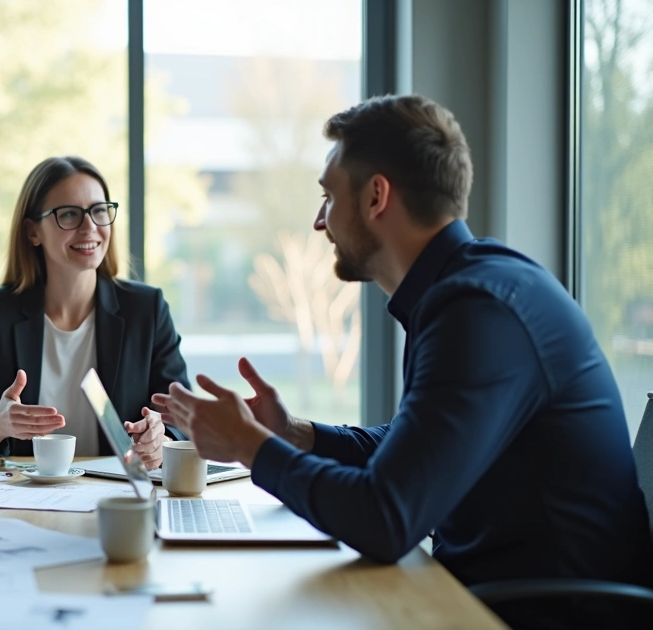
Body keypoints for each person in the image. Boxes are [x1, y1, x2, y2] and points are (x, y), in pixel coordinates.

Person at [154, 95, 653, 627]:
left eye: (327, 196)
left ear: (376, 196)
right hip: (481, 598)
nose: (319, 222)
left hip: (536, 616)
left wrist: (251, 447)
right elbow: (408, 450)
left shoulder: (479, 310)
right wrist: (293, 434)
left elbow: (386, 518)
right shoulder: (465, 292)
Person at [0, 156, 189, 468]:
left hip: (117, 500)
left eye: (98, 211)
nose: (90, 227)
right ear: (32, 232)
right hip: (21, 499)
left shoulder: (146, 310)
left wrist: (163, 439)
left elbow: (184, 420)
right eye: (69, 214)